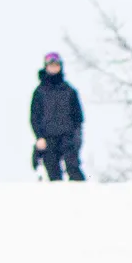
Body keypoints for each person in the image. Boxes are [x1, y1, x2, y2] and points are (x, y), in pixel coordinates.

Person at [29, 51, 85, 181]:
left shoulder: (69, 91)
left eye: (56, 65)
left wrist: (76, 136)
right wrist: (39, 137)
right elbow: (34, 117)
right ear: (46, 67)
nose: (53, 67)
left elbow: (78, 117)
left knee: (73, 168)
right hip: (48, 139)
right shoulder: (39, 92)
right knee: (53, 175)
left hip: (68, 137)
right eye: (50, 65)